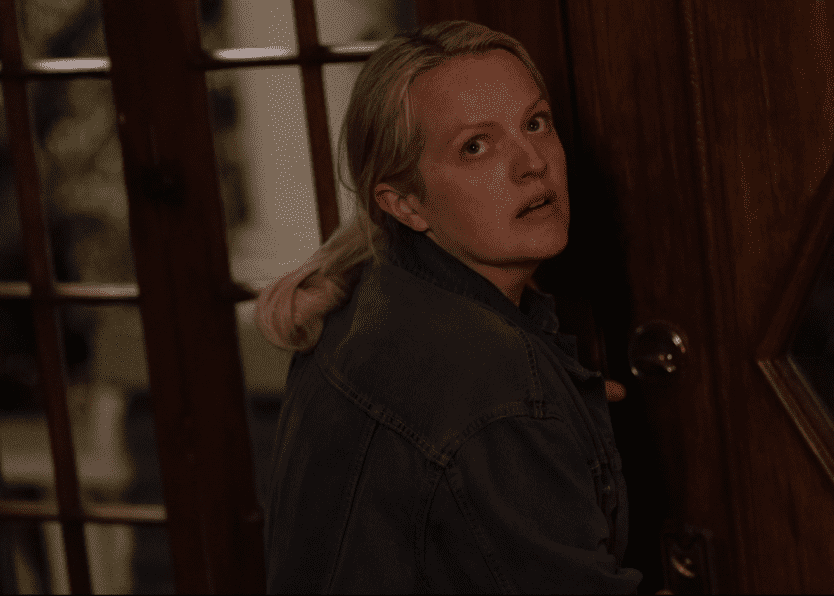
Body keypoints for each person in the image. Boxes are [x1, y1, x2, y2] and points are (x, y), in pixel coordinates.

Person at [255, 20, 643, 594]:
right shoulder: (495, 383)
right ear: (405, 203)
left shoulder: (372, 292)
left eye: (535, 123)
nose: (531, 163)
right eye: (475, 146)